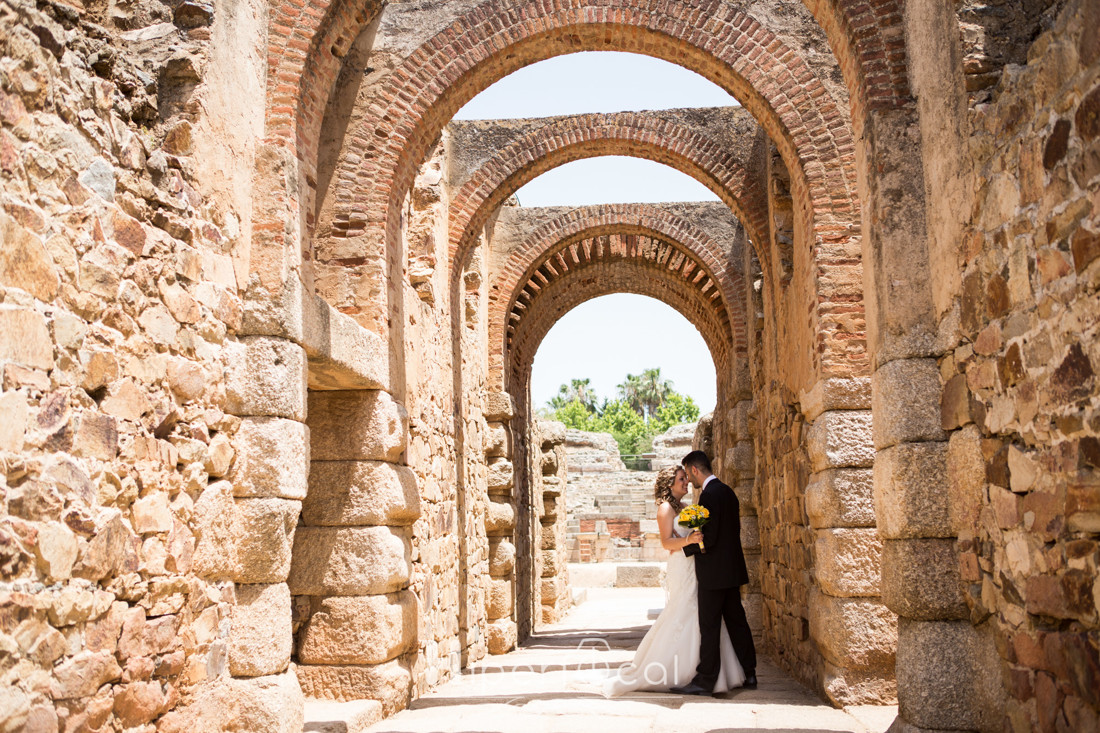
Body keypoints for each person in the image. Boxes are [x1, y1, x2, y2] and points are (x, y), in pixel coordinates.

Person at [597, 465, 745, 696]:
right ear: (670, 484)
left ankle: (710, 671)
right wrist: (690, 540)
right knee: (684, 611)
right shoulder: (665, 509)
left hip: (695, 566)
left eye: (686, 478)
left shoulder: (686, 507)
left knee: (704, 615)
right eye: (681, 479)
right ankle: (678, 671)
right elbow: (666, 543)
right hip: (680, 567)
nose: (686, 482)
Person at [670, 450, 758, 695]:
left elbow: (708, 539)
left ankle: (706, 679)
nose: (690, 479)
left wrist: (685, 547)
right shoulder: (728, 492)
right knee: (737, 622)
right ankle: (749, 672)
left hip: (713, 574)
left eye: (689, 474)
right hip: (732, 571)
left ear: (695, 470)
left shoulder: (708, 496)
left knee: (709, 626)